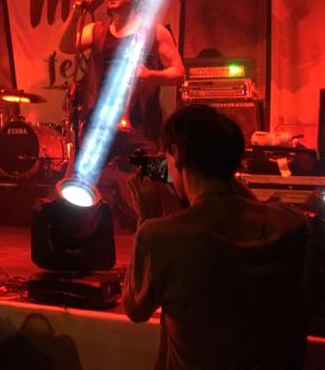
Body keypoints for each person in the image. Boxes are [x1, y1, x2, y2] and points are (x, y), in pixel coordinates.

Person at [123, 104, 309, 370]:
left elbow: (135, 309)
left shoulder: (160, 237)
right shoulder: (292, 226)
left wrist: (147, 218)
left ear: (176, 153)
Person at [59, 0, 184, 228]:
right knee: (80, 181)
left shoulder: (155, 31)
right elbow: (66, 46)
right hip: (99, 121)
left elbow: (178, 72)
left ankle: (156, 234)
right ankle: (79, 235)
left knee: (152, 183)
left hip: (140, 124)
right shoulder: (96, 30)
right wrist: (76, 10)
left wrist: (149, 75)